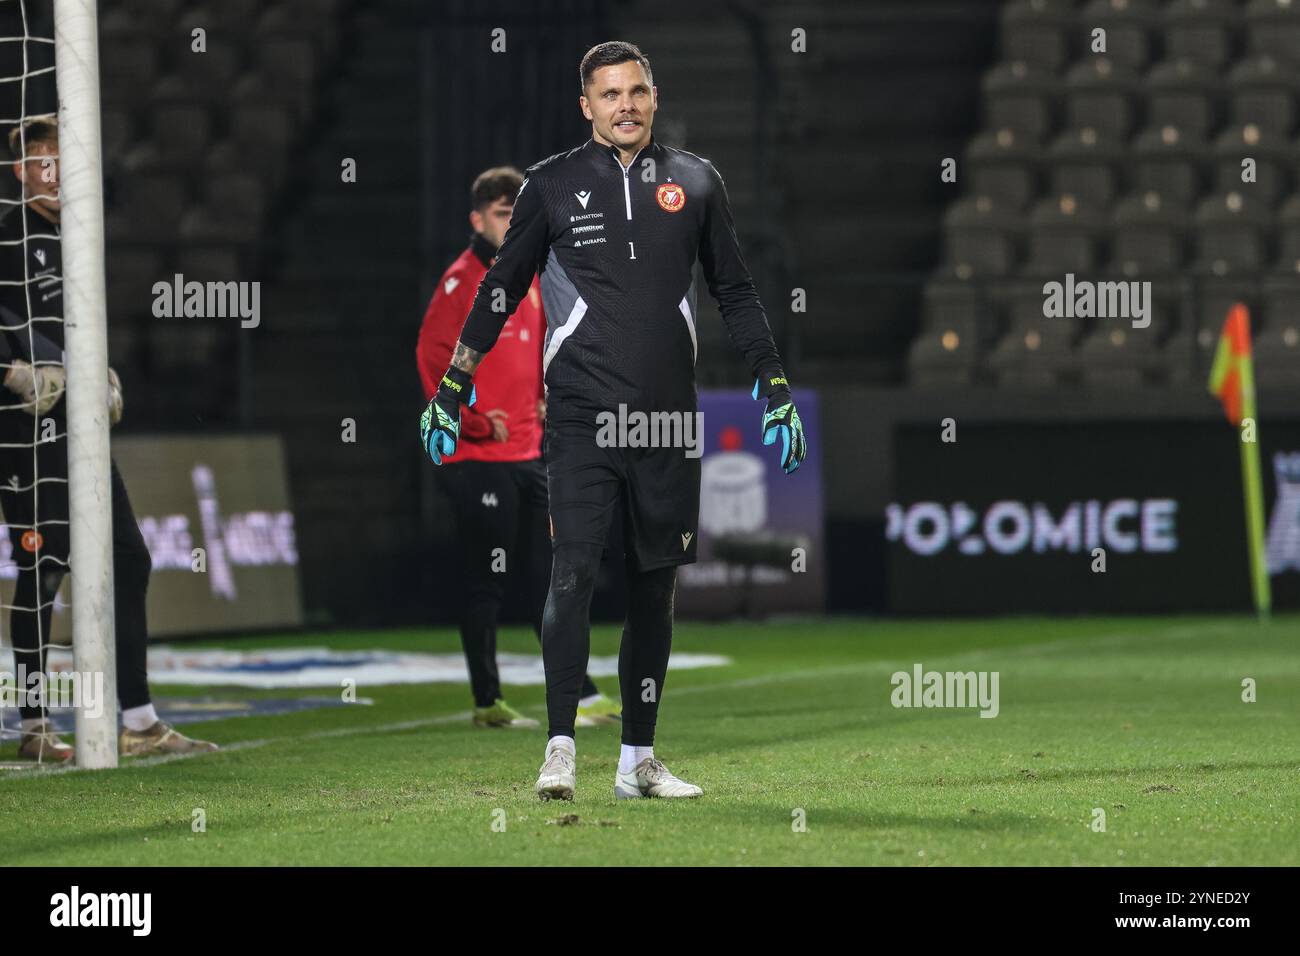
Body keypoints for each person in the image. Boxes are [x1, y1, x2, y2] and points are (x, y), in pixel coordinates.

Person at [419, 42, 807, 800]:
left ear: (653, 98)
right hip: (581, 417)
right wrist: (455, 383)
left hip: (667, 423)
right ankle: (559, 747)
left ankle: (638, 760)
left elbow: (736, 291)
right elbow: (501, 289)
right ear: (586, 106)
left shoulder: (696, 181)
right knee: (573, 574)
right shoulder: (552, 185)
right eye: (608, 94)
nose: (624, 105)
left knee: (655, 588)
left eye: (635, 91)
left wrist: (775, 383)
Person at [0, 116, 217, 763]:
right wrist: (11, 372)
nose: (57, 171)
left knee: (128, 558)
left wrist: (101, 374)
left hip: (77, 425)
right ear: (20, 173)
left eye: (65, 159)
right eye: (44, 161)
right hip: (21, 427)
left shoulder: (76, 239)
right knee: (45, 566)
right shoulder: (7, 237)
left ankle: (139, 721)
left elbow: (72, 332)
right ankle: (34, 725)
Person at [416, 165, 618, 729]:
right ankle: (488, 701)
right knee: (487, 578)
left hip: (527, 453)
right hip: (475, 459)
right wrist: (476, 422)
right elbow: (433, 359)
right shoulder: (461, 282)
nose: (511, 223)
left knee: (549, 574)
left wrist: (545, 397)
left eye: (516, 212)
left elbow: (542, 350)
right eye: (502, 214)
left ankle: (576, 691)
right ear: (478, 220)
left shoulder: (527, 276)